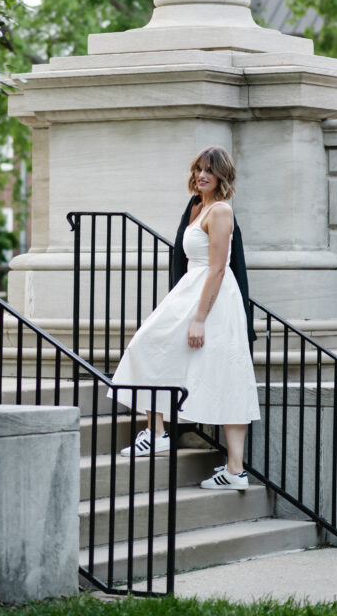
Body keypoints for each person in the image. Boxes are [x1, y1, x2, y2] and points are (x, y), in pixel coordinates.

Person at [109, 146, 260, 490]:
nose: (201, 175)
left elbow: (220, 268)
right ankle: (158, 431)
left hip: (212, 296)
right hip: (191, 289)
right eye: (197, 169)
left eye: (209, 170)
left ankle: (235, 470)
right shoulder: (197, 206)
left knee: (228, 374)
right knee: (147, 346)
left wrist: (200, 319)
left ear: (222, 175)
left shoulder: (220, 211)